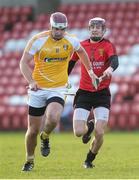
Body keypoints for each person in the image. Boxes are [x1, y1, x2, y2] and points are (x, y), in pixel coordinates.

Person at [20, 12, 98, 171]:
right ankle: (29, 160)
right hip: (38, 89)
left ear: (65, 29)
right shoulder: (38, 40)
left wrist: (90, 71)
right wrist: (31, 81)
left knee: (54, 117)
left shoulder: (71, 40)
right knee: (32, 130)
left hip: (58, 88)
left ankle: (46, 136)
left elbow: (81, 51)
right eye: (56, 29)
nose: (59, 32)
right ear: (51, 27)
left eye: (62, 29)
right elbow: (23, 62)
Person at [68, 17, 119, 168]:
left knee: (100, 132)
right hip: (84, 92)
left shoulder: (108, 45)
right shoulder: (81, 45)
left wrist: (109, 69)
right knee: (78, 132)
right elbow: (70, 65)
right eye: (92, 27)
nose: (95, 29)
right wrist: (62, 80)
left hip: (102, 94)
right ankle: (88, 128)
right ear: (89, 29)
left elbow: (115, 61)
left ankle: (89, 159)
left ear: (104, 30)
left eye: (98, 27)